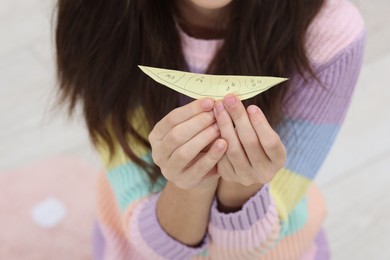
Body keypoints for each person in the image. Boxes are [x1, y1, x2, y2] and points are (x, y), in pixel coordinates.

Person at [54, 0, 366, 259]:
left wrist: (243, 189)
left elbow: (250, 246)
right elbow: (150, 237)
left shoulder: (329, 33)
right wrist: (191, 184)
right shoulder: (99, 14)